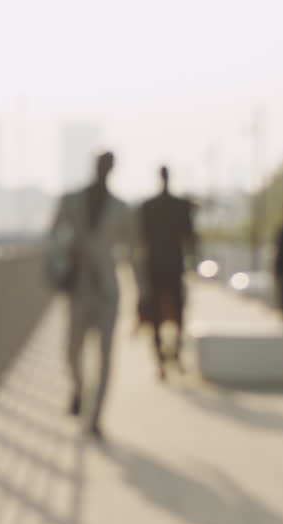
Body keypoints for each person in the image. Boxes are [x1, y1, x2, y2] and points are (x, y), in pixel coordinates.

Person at [46, 151, 139, 441]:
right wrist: (64, 257)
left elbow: (135, 250)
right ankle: (78, 388)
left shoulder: (121, 208)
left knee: (106, 355)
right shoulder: (72, 200)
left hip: (108, 288)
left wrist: (143, 293)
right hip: (79, 286)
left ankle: (95, 417)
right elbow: (53, 235)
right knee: (71, 350)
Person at [137, 166, 196, 379]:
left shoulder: (148, 206)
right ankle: (176, 354)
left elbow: (139, 237)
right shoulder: (180, 206)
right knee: (178, 311)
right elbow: (190, 236)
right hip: (173, 265)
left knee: (154, 314)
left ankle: (161, 360)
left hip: (154, 265)